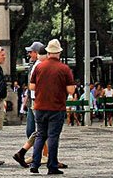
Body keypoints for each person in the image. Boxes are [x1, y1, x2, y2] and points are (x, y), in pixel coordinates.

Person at [29, 38, 75, 176]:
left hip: (40, 106)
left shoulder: (39, 67)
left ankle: (34, 164)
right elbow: (71, 90)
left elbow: (32, 86)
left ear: (48, 52)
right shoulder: (64, 69)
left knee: (40, 135)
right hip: (56, 107)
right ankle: (52, 166)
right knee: (53, 137)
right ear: (59, 53)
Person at [14, 41, 46, 168]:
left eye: (31, 52)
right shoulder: (34, 65)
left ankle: (40, 155)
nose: (28, 54)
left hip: (37, 100)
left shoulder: (38, 65)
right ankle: (33, 154)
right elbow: (32, 85)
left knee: (40, 130)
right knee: (34, 130)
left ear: (37, 53)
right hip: (35, 100)